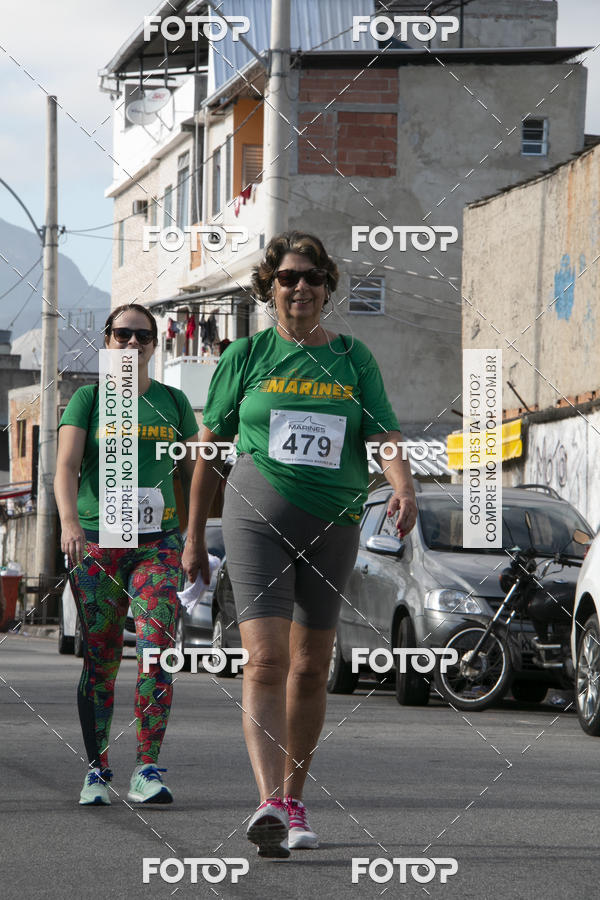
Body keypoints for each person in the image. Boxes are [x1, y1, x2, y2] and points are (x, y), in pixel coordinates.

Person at [182, 232, 417, 857]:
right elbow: (206, 452)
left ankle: (293, 796)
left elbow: (385, 432)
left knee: (312, 666)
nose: (301, 287)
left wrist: (403, 486)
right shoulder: (248, 355)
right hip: (255, 516)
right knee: (265, 660)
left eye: (312, 277)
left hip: (334, 520)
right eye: (288, 278)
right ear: (271, 287)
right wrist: (191, 537)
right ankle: (266, 803)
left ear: (327, 287)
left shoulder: (352, 357)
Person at [54, 303, 199, 806]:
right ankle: (97, 769)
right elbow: (67, 468)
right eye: (123, 335)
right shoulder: (88, 400)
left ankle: (147, 768)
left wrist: (196, 537)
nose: (133, 344)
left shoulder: (174, 402)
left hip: (157, 545)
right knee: (102, 659)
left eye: (144, 336)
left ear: (156, 345)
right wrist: (70, 523)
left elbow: (190, 476)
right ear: (108, 341)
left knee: (156, 650)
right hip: (97, 543)